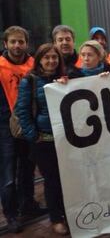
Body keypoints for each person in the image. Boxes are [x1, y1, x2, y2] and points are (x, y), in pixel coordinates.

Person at [14, 43, 68, 235]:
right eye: (47, 58)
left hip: (65, 139)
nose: (51, 61)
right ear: (39, 60)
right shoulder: (29, 81)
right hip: (43, 141)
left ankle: (68, 213)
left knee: (67, 179)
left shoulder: (65, 78)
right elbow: (23, 111)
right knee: (52, 180)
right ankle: (56, 218)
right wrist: (33, 135)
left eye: (55, 57)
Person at [0, 26, 42, 233]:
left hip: (28, 123)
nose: (17, 46)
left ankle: (28, 204)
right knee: (8, 172)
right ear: (5, 44)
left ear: (27, 43)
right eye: (13, 42)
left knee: (27, 168)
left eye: (21, 42)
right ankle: (11, 214)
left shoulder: (34, 65)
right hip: (4, 126)